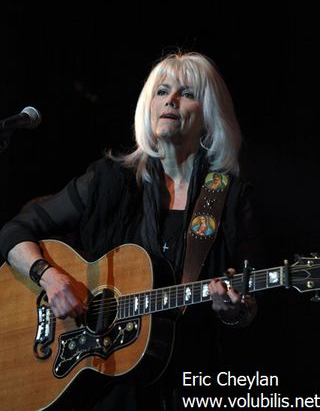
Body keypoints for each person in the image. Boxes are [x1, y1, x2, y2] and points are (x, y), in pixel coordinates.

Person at [0, 51, 262, 410]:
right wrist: (50, 278)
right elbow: (14, 232)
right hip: (104, 392)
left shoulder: (229, 198)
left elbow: (250, 304)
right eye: (161, 91)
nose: (170, 100)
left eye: (186, 93)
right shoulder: (109, 180)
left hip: (188, 384)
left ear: (210, 116)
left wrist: (233, 309)